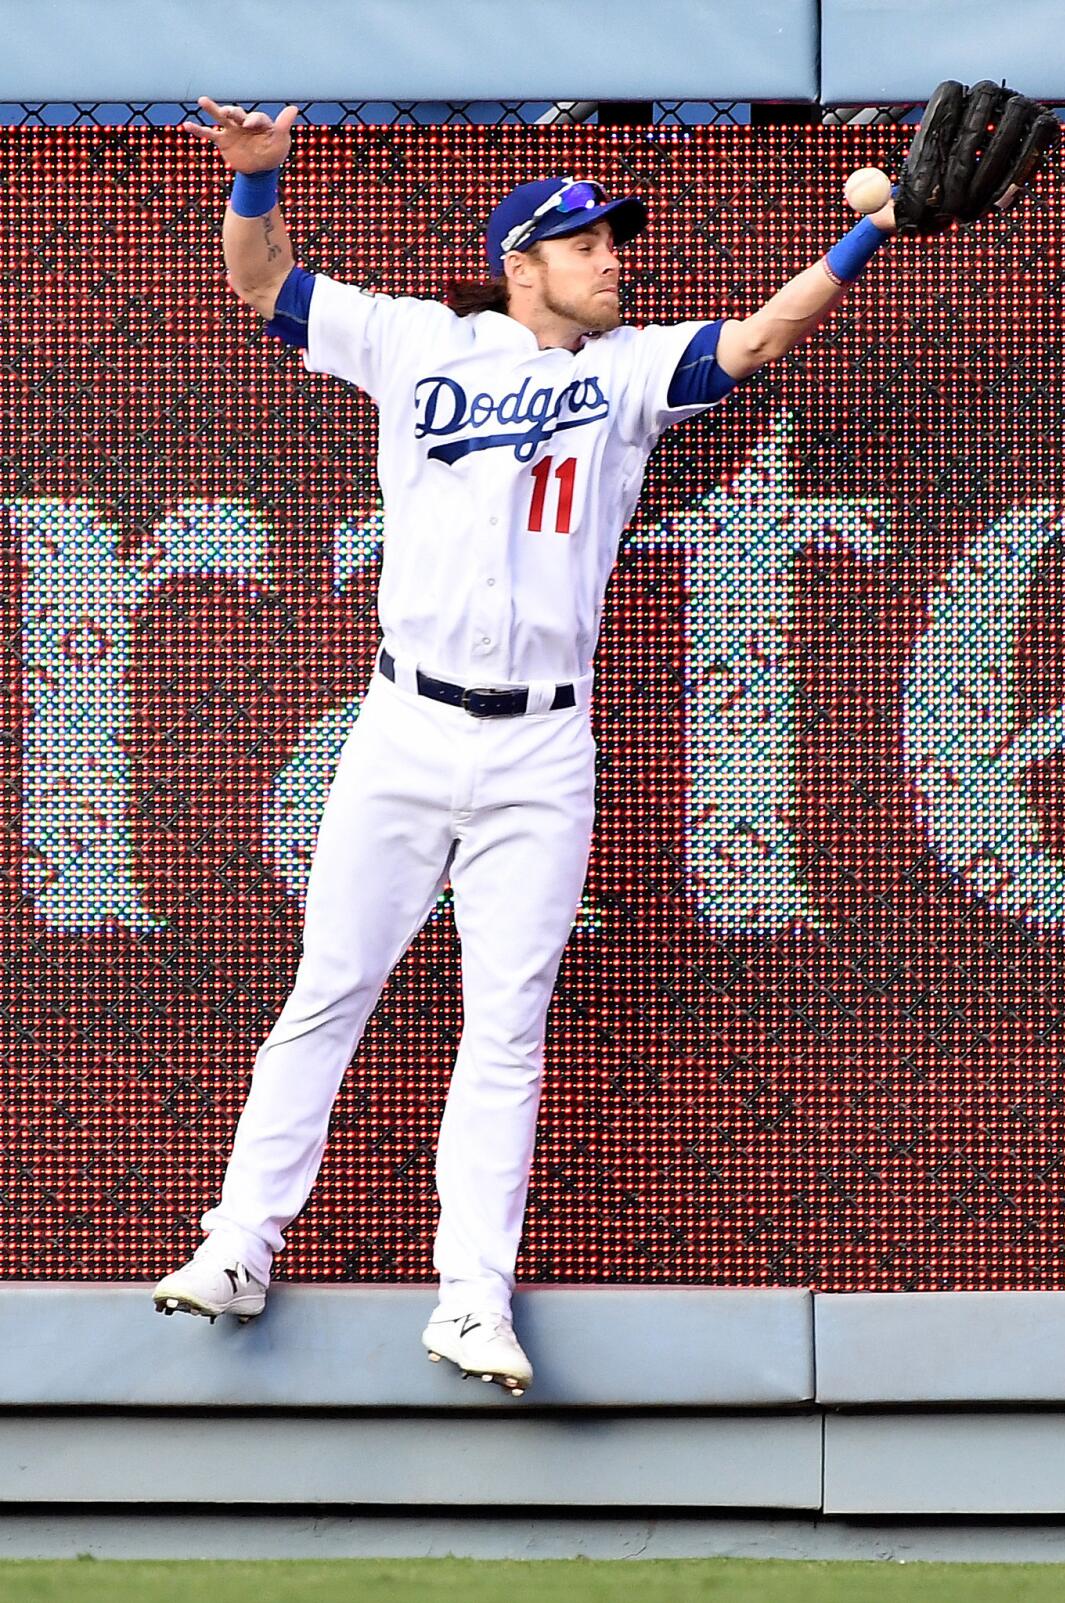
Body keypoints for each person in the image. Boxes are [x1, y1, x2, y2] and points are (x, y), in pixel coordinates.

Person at [151, 94, 901, 1396]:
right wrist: (258, 182)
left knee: (507, 1025)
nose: (618, 257)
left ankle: (472, 1300)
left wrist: (867, 239)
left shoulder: (623, 374)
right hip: (404, 722)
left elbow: (762, 338)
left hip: (543, 750)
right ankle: (236, 1242)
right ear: (525, 263)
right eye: (592, 243)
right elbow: (260, 283)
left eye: (616, 240)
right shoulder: (413, 338)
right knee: (331, 987)